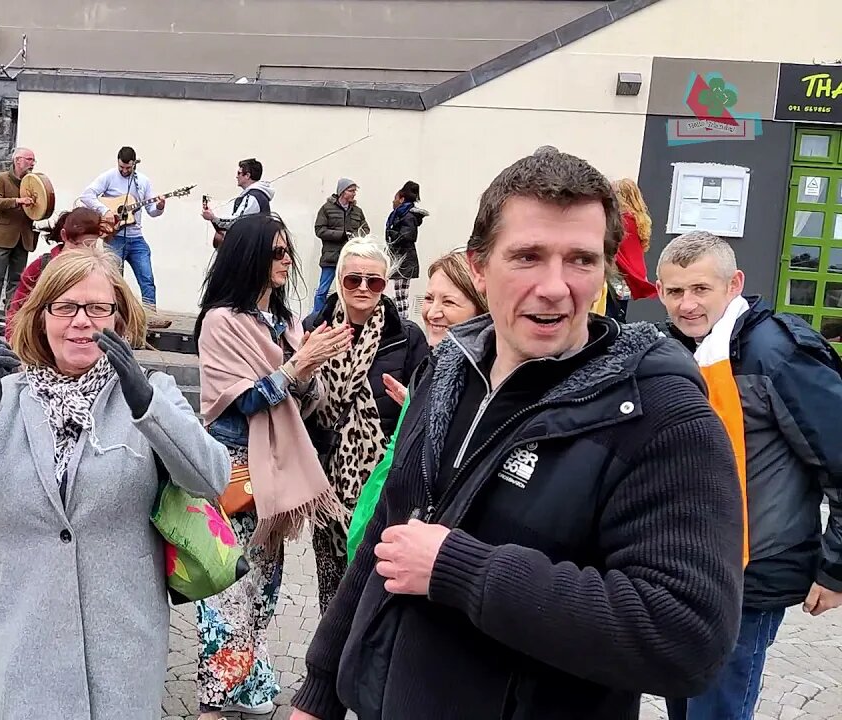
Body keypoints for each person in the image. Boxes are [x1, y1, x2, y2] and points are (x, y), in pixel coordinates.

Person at [289, 150, 745, 720]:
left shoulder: (659, 416)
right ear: (479, 267)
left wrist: (462, 568)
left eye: (580, 259)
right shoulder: (447, 369)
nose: (554, 287)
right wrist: (320, 691)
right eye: (528, 256)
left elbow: (687, 636)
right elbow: (390, 534)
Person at [0, 247, 228, 720]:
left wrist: (146, 403)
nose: (81, 321)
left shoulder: (151, 393)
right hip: (26, 648)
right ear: (42, 316)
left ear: (120, 317)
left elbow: (211, 477)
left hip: (120, 651)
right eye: (65, 307)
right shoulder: (2, 399)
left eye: (97, 308)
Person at [656, 231, 842, 720]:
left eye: (701, 289)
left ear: (733, 284)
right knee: (683, 700)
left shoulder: (776, 353)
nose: (687, 304)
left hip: (753, 569)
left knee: (714, 711)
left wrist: (836, 567)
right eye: (674, 291)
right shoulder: (674, 352)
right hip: (686, 563)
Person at [194, 214, 350, 719]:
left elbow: (300, 402)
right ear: (250, 257)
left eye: (288, 251)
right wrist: (296, 366)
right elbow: (241, 402)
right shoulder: (221, 321)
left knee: (263, 589)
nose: (287, 260)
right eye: (276, 252)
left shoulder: (283, 322)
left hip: (276, 477)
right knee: (226, 590)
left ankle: (243, 679)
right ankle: (210, 704)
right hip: (236, 474)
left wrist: (308, 368)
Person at [302, 237, 428, 611]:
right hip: (325, 482)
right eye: (353, 279)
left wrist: (412, 404)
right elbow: (293, 403)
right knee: (331, 590)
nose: (362, 288)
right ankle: (329, 662)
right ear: (339, 279)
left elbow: (428, 407)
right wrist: (304, 368)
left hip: (379, 486)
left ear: (385, 285)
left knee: (372, 588)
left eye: (373, 281)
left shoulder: (405, 337)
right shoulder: (315, 328)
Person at [345, 250, 489, 563]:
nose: (433, 312)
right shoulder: (433, 369)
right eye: (429, 299)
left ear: (481, 310)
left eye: (448, 302)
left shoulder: (478, 385)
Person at [79, 146, 171, 328]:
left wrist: (159, 206)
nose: (124, 171)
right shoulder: (109, 176)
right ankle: (113, 316)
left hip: (136, 237)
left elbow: (151, 211)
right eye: (122, 167)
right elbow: (86, 195)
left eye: (128, 168)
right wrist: (105, 210)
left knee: (146, 277)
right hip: (115, 237)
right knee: (113, 279)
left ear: (134, 164)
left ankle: (150, 315)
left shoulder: (143, 182)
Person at [4, 207, 103, 339]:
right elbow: (17, 307)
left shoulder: (98, 270)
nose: (83, 251)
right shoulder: (41, 266)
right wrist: (13, 341)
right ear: (64, 236)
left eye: (90, 245)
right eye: (78, 244)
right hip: (41, 341)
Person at [0, 148, 39, 311]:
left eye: (34, 160)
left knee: (17, 279)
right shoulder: (1, 179)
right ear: (18, 160)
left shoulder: (33, 182)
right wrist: (18, 201)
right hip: (3, 237)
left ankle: (12, 313)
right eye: (29, 159)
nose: (32, 163)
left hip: (24, 238)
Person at [313, 178, 370, 315]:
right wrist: (341, 235)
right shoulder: (326, 209)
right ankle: (316, 316)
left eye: (354, 191)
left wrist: (355, 236)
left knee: (348, 290)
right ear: (342, 192)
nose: (354, 194)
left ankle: (344, 315)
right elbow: (319, 230)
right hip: (331, 257)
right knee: (322, 291)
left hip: (350, 258)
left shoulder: (357, 211)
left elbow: (366, 229)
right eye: (351, 191)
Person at [610, 178, 657, 315]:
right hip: (627, 274)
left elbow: (616, 248)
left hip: (617, 273)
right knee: (620, 311)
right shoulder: (639, 219)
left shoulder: (623, 220)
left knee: (611, 312)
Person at [202, 158, 274, 243]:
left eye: (239, 173)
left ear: (247, 175)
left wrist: (213, 218)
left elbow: (237, 222)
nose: (236, 176)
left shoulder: (252, 197)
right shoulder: (257, 195)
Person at [383, 180, 428, 317]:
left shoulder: (407, 216)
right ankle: (402, 320)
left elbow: (408, 235)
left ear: (402, 199)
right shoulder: (403, 214)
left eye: (395, 198)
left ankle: (402, 322)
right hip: (401, 258)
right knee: (400, 294)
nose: (393, 201)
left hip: (403, 260)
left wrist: (392, 234)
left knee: (400, 295)